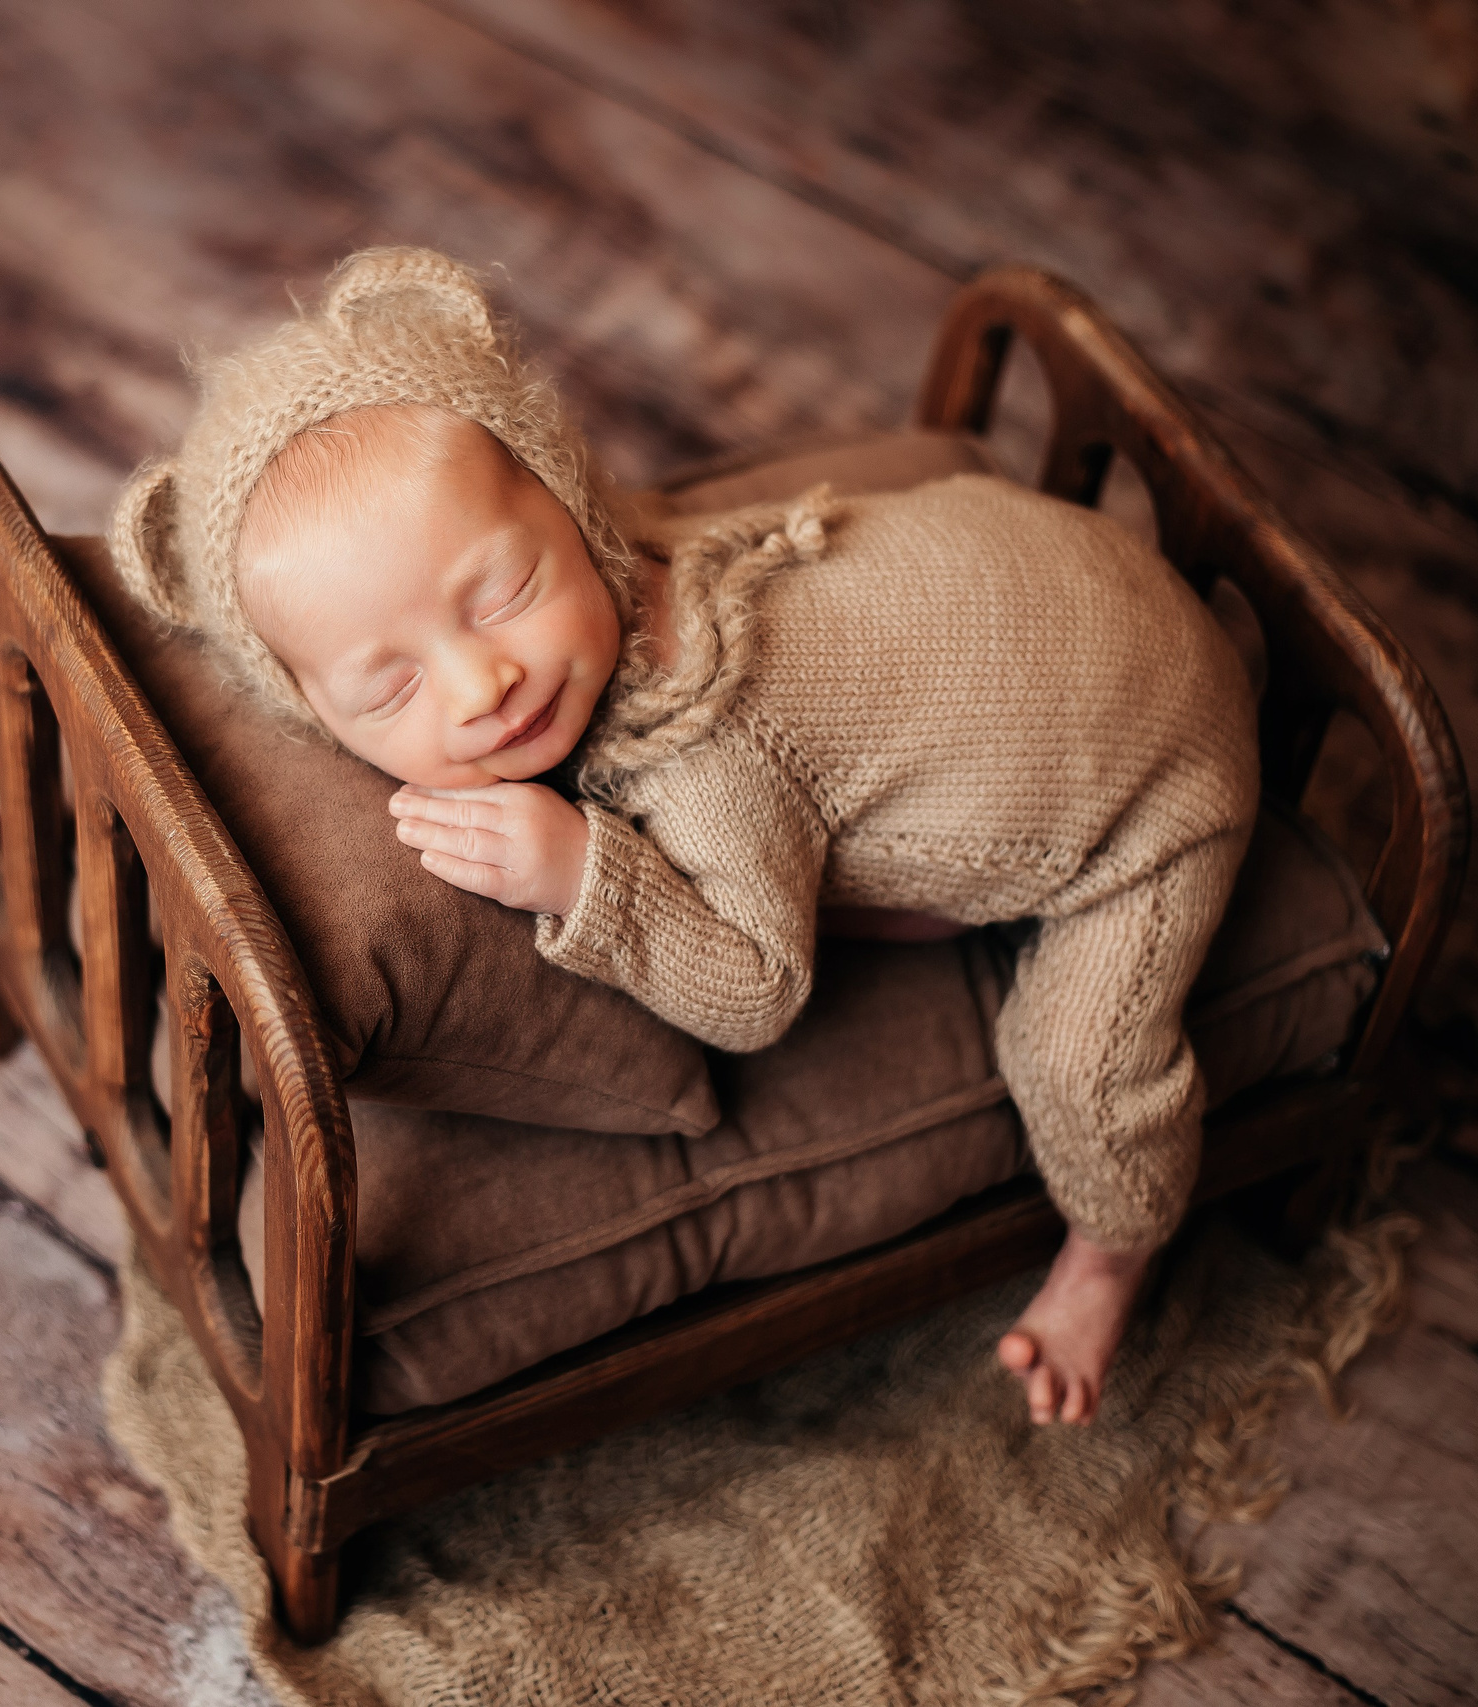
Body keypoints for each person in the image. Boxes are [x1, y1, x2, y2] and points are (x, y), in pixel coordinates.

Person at [110, 248, 1258, 1425]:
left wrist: (582, 874)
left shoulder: (705, 749)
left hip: (1152, 780)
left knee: (1076, 1060)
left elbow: (760, 989)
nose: (481, 683)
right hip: (1046, 561)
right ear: (313, 716)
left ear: (565, 501)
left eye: (501, 594)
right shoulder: (635, 549)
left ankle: (1113, 1255)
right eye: (390, 687)